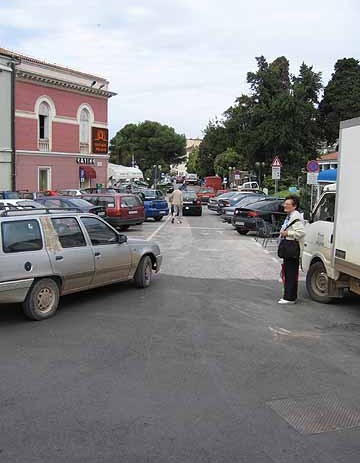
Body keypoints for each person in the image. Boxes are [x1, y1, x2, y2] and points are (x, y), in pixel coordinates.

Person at [278, 195, 305, 304]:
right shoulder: (290, 216)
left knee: (291, 273)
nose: (285, 205)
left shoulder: (296, 217)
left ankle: (289, 298)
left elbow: (301, 232)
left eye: (288, 204)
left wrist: (287, 233)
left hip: (292, 248)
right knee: (289, 272)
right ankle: (290, 296)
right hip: (289, 247)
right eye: (285, 203)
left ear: (294, 206)